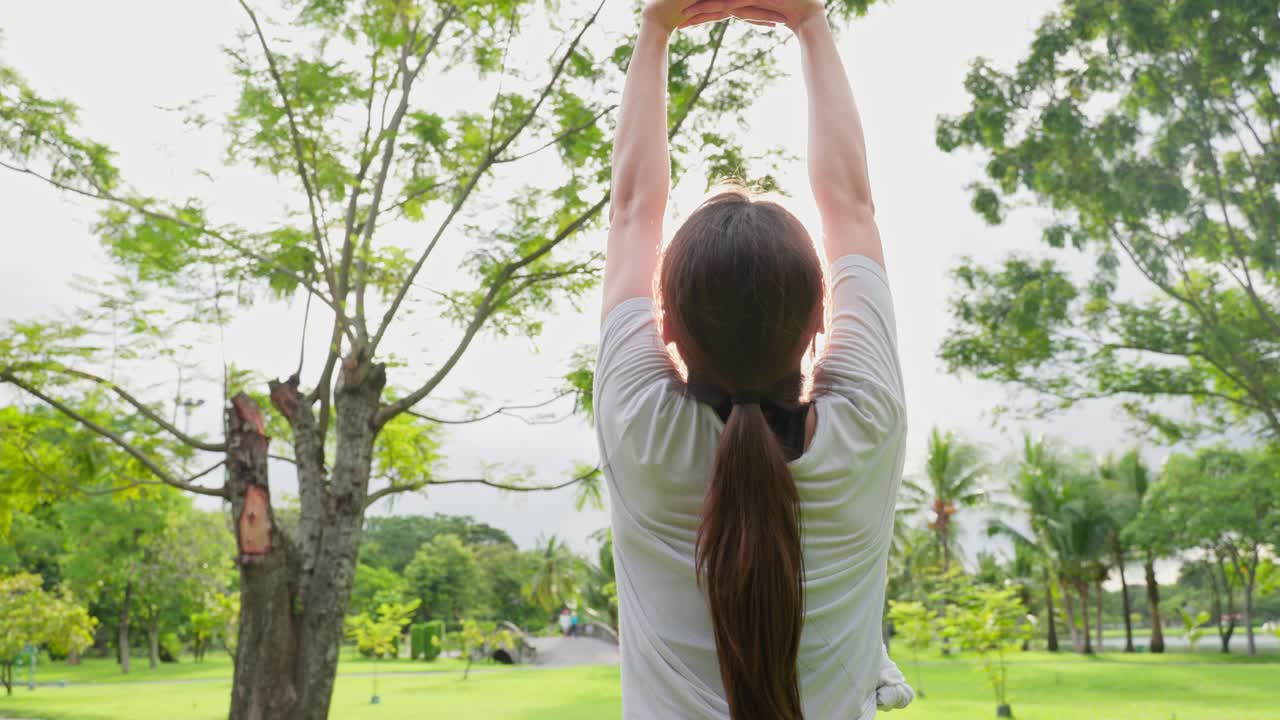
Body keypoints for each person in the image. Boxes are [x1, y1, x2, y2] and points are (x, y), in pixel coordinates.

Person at [595, 1, 914, 718]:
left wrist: (654, 29)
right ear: (821, 322)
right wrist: (808, 22)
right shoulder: (865, 427)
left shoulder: (640, 429)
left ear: (666, 324)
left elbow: (632, 211)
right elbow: (852, 208)